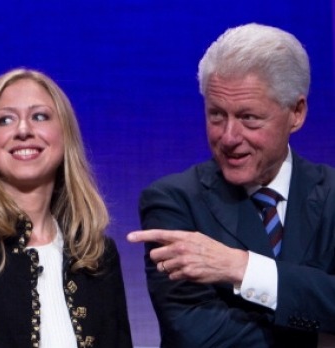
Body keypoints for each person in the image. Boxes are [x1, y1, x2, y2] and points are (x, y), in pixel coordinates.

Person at [127, 23, 335, 347]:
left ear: (296, 112)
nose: (228, 137)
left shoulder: (332, 196)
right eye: (216, 115)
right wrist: (316, 327)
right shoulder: (174, 201)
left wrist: (242, 268)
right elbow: (198, 336)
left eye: (249, 117)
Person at [0, 68, 133, 348]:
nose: (23, 130)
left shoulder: (96, 253)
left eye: (40, 116)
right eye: (5, 120)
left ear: (65, 135)